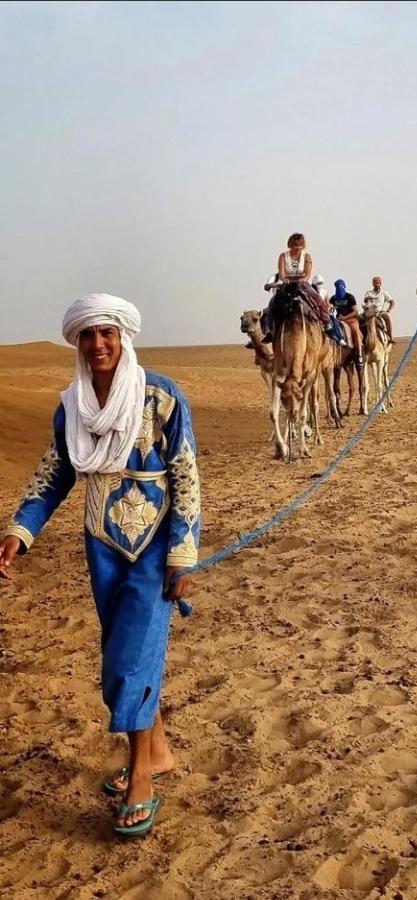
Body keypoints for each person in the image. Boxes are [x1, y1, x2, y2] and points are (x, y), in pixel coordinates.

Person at [0, 293, 200, 838]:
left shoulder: (161, 396)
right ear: (78, 343)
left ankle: (141, 778)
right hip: (102, 548)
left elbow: (186, 476)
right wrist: (21, 531)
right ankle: (156, 751)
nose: (98, 344)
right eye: (88, 336)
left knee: (129, 659)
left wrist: (184, 552)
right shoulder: (74, 406)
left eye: (107, 333)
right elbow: (55, 472)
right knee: (123, 655)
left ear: (123, 338)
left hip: (155, 548)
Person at [264, 233, 337, 341]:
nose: (298, 248)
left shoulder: (306, 256)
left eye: (300, 245)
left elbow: (307, 274)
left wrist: (302, 280)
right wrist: (285, 281)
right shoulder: (283, 256)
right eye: (295, 245)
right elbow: (282, 274)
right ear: (290, 245)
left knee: (317, 298)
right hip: (287, 284)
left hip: (302, 283)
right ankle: (270, 329)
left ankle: (327, 323)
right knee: (273, 302)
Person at [331, 279, 363, 364]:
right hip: (338, 320)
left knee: (355, 331)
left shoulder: (350, 297)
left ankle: (359, 355)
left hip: (351, 319)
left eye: (341, 287)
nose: (340, 289)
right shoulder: (333, 298)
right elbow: (329, 307)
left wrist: (345, 317)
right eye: (338, 287)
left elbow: (355, 311)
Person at [363, 275, 395, 344]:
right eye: (375, 283)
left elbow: (392, 302)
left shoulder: (384, 293)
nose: (377, 285)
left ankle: (390, 337)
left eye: (378, 283)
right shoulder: (368, 293)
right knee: (359, 319)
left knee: (388, 318)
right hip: (370, 312)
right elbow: (365, 300)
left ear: (380, 283)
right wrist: (367, 299)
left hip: (380, 312)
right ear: (373, 284)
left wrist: (389, 310)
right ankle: (361, 339)